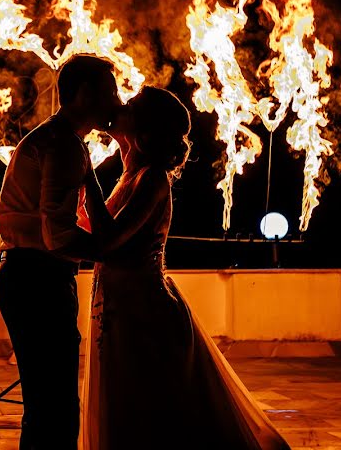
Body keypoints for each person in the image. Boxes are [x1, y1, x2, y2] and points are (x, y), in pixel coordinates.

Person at [79, 86, 292, 450]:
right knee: (123, 404)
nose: (119, 108)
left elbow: (108, 238)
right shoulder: (129, 175)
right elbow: (88, 225)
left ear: (143, 128)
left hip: (145, 314)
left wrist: (86, 174)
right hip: (118, 309)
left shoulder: (152, 179)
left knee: (152, 413)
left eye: (129, 106)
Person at [0, 54, 122, 450]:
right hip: (38, 278)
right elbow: (59, 236)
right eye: (110, 91)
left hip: (30, 275)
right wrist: (112, 253)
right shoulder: (63, 147)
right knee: (55, 406)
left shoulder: (66, 142)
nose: (117, 101)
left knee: (48, 403)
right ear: (85, 94)